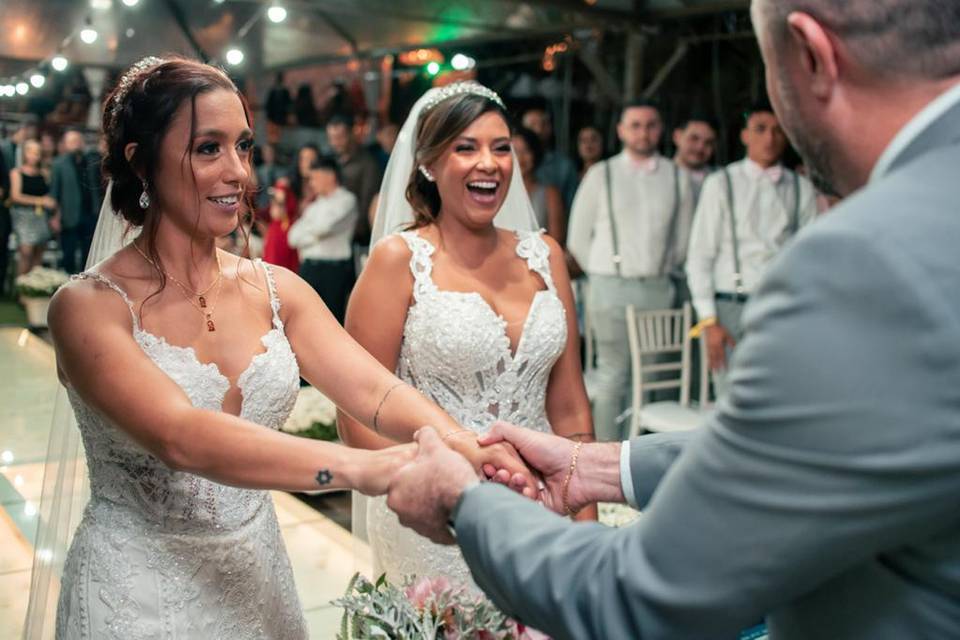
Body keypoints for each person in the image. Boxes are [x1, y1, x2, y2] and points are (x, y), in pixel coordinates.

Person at [384, 0, 960, 638]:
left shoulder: (859, 258)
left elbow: (641, 598)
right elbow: (836, 451)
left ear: (811, 55)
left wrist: (466, 501)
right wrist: (600, 467)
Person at [36, 57, 534, 639]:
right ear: (140, 160)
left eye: (243, 147)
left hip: (255, 582)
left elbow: (376, 391)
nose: (240, 174)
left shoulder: (279, 291)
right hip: (135, 592)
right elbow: (181, 435)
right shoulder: (86, 307)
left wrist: (467, 448)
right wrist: (376, 468)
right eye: (207, 149)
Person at [339, 82, 594, 590]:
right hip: (436, 518)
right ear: (429, 165)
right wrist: (442, 483)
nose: (490, 163)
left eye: (501, 148)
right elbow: (355, 419)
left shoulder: (546, 257)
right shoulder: (399, 261)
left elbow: (569, 408)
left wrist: (584, 526)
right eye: (466, 147)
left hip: (541, 507)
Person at [567, 100, 696, 441]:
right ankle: (606, 460)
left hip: (658, 286)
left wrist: (656, 267)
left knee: (653, 379)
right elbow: (578, 239)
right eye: (635, 125)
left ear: (661, 129)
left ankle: (644, 461)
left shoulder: (677, 176)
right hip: (609, 286)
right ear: (621, 130)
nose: (643, 132)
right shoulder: (601, 174)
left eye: (650, 124)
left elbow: (683, 240)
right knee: (614, 375)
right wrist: (606, 269)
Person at [686, 102, 817, 396]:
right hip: (729, 308)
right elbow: (700, 256)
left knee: (782, 397)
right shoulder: (721, 183)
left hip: (781, 308)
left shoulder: (801, 188)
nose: (770, 138)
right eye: (760, 129)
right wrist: (709, 321)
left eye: (777, 131)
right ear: (745, 136)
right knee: (731, 402)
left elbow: (809, 259)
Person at [287, 156, 357, 323]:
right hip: (309, 268)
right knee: (303, 319)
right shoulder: (314, 206)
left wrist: (310, 231)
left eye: (314, 177)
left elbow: (325, 228)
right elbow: (293, 237)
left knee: (330, 321)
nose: (311, 183)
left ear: (330, 175)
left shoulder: (347, 200)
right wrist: (316, 234)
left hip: (333, 271)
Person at [50, 129, 103, 273]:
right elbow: (54, 192)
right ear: (66, 144)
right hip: (69, 214)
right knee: (69, 254)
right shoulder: (59, 164)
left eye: (79, 141)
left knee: (89, 254)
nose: (77, 145)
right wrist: (54, 215)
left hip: (90, 213)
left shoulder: (91, 161)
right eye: (73, 142)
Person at [326, 113, 382, 246]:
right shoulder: (329, 161)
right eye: (332, 138)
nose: (335, 143)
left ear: (352, 134)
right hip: (330, 229)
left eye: (340, 137)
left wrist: (355, 232)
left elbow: (367, 201)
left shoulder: (368, 164)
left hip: (355, 235)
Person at [262, 143, 317, 272]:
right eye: (303, 159)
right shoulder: (286, 183)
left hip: (302, 240)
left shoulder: (318, 188)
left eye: (311, 160)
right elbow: (275, 213)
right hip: (282, 235)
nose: (306, 163)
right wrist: (279, 198)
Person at [9, 139, 57, 275]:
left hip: (41, 218)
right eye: (31, 152)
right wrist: (40, 201)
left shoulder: (44, 174)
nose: (34, 156)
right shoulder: (16, 173)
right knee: (26, 253)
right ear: (25, 154)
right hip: (23, 217)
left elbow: (50, 195)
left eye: (37, 153)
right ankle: (21, 289)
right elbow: (16, 196)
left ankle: (34, 289)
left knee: (38, 253)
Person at [512, 126, 565, 244]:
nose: (520, 158)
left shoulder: (550, 193)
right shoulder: (496, 192)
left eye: (526, 151)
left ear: (535, 154)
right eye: (515, 151)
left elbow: (556, 241)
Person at [521, 106, 579, 210]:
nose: (538, 130)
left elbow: (573, 207)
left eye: (544, 124)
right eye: (533, 124)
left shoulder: (564, 165)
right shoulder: (510, 162)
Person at [672, 115, 717, 201]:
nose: (700, 147)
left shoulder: (721, 180)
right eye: (694, 138)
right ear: (677, 137)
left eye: (708, 142)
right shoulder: (657, 177)